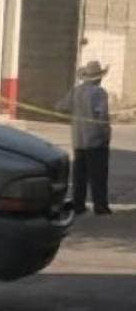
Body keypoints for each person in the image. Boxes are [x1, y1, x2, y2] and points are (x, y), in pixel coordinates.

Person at [56, 60, 112, 216]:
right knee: (98, 175)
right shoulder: (99, 93)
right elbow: (102, 116)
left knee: (79, 175)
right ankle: (100, 206)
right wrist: (106, 134)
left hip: (78, 140)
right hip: (96, 141)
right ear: (98, 77)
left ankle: (78, 204)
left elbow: (60, 106)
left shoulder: (76, 91)